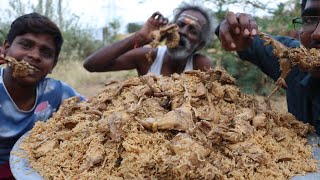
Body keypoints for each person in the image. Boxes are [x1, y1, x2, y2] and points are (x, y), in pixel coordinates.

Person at [0, 13, 84, 179]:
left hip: (34, 169)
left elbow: (91, 111)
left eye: (46, 53)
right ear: (6, 48)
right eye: (26, 45)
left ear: (53, 65)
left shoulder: (57, 92)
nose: (35, 56)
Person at [216, 0, 320, 134]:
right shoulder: (292, 60)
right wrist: (235, 29)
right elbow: (248, 41)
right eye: (310, 19)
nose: (317, 34)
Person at [83, 2, 215, 76]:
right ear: (169, 28)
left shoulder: (200, 66)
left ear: (200, 45)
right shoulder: (149, 56)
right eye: (179, 25)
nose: (182, 32)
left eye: (193, 30)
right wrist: (138, 38)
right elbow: (91, 65)